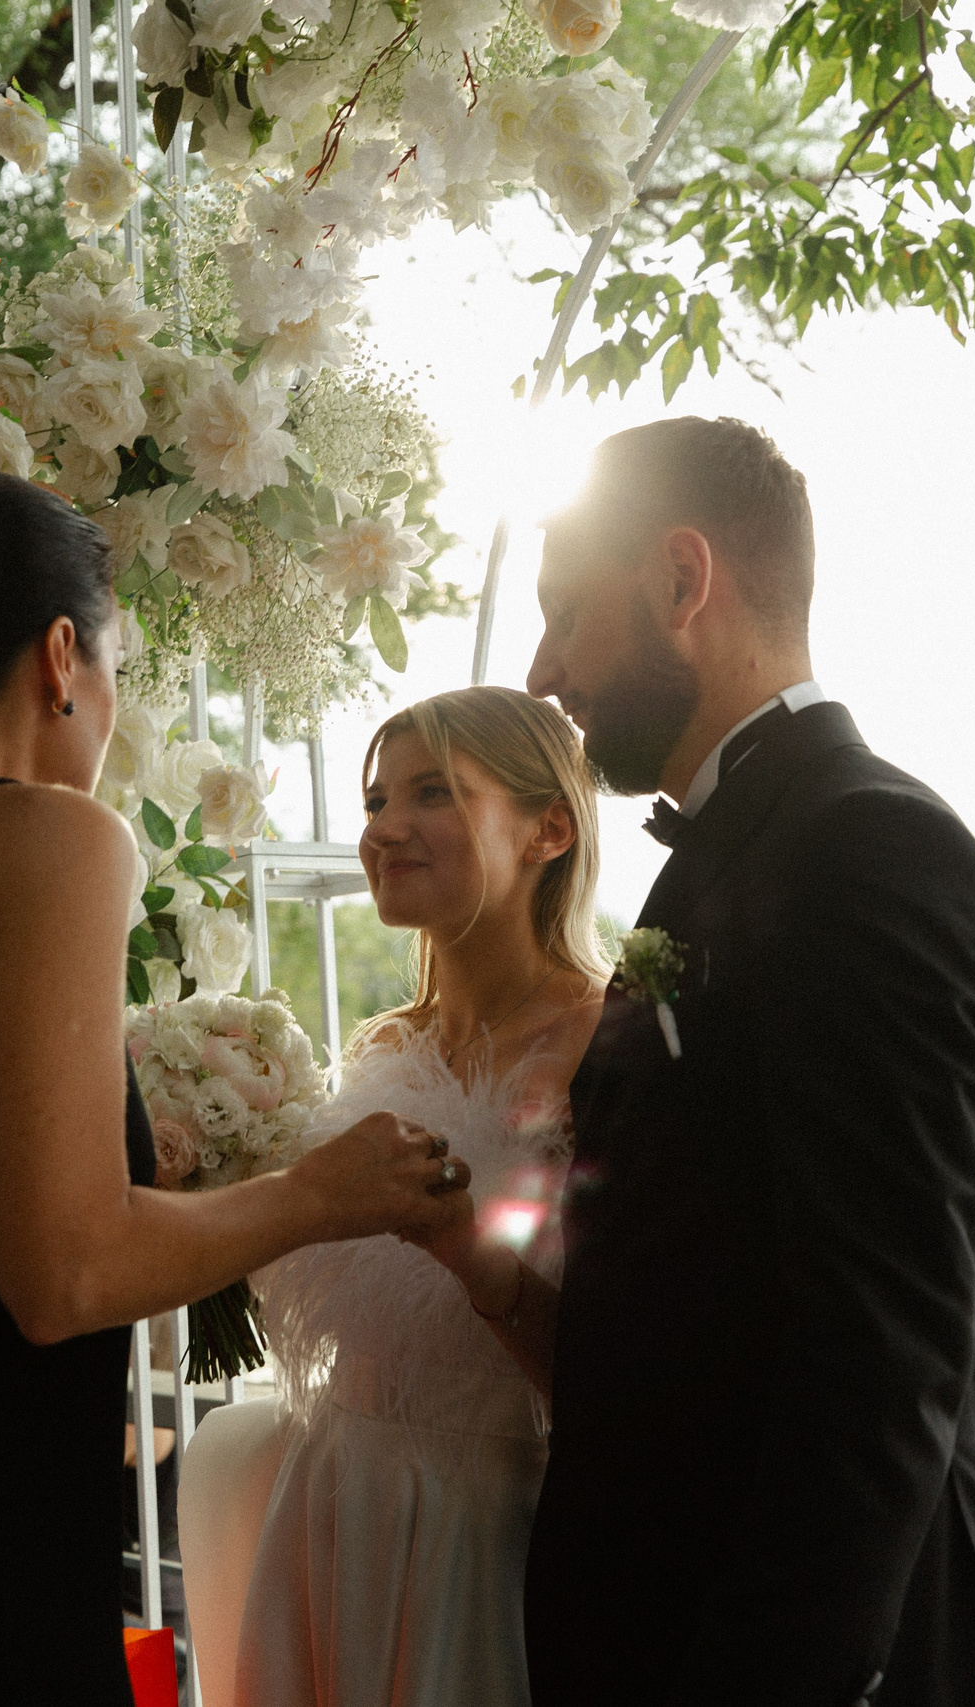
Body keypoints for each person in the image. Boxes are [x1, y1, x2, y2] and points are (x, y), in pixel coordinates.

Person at [0, 468, 465, 1706]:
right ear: (61, 656)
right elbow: (61, 1275)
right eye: (115, 664)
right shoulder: (46, 838)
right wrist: (322, 1194)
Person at [520, 418, 975, 1706]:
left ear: (679, 582)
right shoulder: (734, 852)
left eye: (565, 615)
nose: (543, 670)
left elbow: (878, 1365)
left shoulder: (867, 856)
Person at [180, 685, 606, 1707]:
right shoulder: (377, 1047)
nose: (382, 829)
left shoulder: (607, 1045)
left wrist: (467, 1255)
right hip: (330, 1505)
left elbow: (621, 1367)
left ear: (550, 827)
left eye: (431, 794)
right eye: (375, 801)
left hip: (487, 1534)